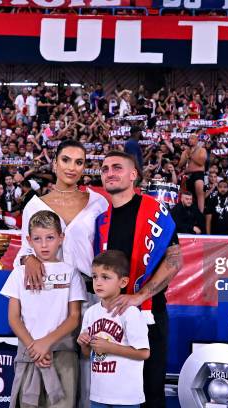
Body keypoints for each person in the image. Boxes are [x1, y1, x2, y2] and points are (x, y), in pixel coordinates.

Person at [17, 139, 108, 408]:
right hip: (50, 295)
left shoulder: (99, 202)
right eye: (66, 160)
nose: (72, 167)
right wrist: (28, 257)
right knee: (57, 366)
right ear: (54, 163)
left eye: (79, 162)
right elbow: (24, 247)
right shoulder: (34, 205)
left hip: (91, 294)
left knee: (92, 366)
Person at [94, 150, 181, 408]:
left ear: (133, 175)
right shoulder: (101, 221)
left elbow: (175, 259)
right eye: (105, 168)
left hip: (148, 314)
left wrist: (140, 296)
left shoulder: (155, 209)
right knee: (114, 394)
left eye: (117, 167)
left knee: (150, 392)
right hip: (112, 317)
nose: (110, 172)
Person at [1, 210, 86, 408]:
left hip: (62, 353)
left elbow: (74, 317)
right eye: (38, 239)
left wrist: (45, 343)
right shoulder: (18, 273)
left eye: (50, 238)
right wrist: (34, 346)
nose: (44, 244)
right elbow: (13, 317)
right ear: (29, 241)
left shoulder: (71, 273)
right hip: (29, 352)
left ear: (61, 238)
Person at [78, 250, 150, 408]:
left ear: (123, 282)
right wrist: (84, 344)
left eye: (105, 277)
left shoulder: (130, 313)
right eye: (95, 276)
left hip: (125, 397)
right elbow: (88, 354)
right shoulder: (91, 313)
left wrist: (110, 347)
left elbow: (144, 353)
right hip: (98, 394)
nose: (98, 282)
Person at [178, 133, 207, 213]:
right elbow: (180, 164)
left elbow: (201, 162)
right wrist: (185, 156)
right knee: (188, 195)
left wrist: (191, 156)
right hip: (188, 175)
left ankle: (201, 213)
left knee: (199, 193)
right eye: (189, 139)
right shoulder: (186, 151)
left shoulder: (202, 150)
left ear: (197, 140)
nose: (190, 140)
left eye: (192, 138)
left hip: (198, 173)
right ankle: (189, 212)